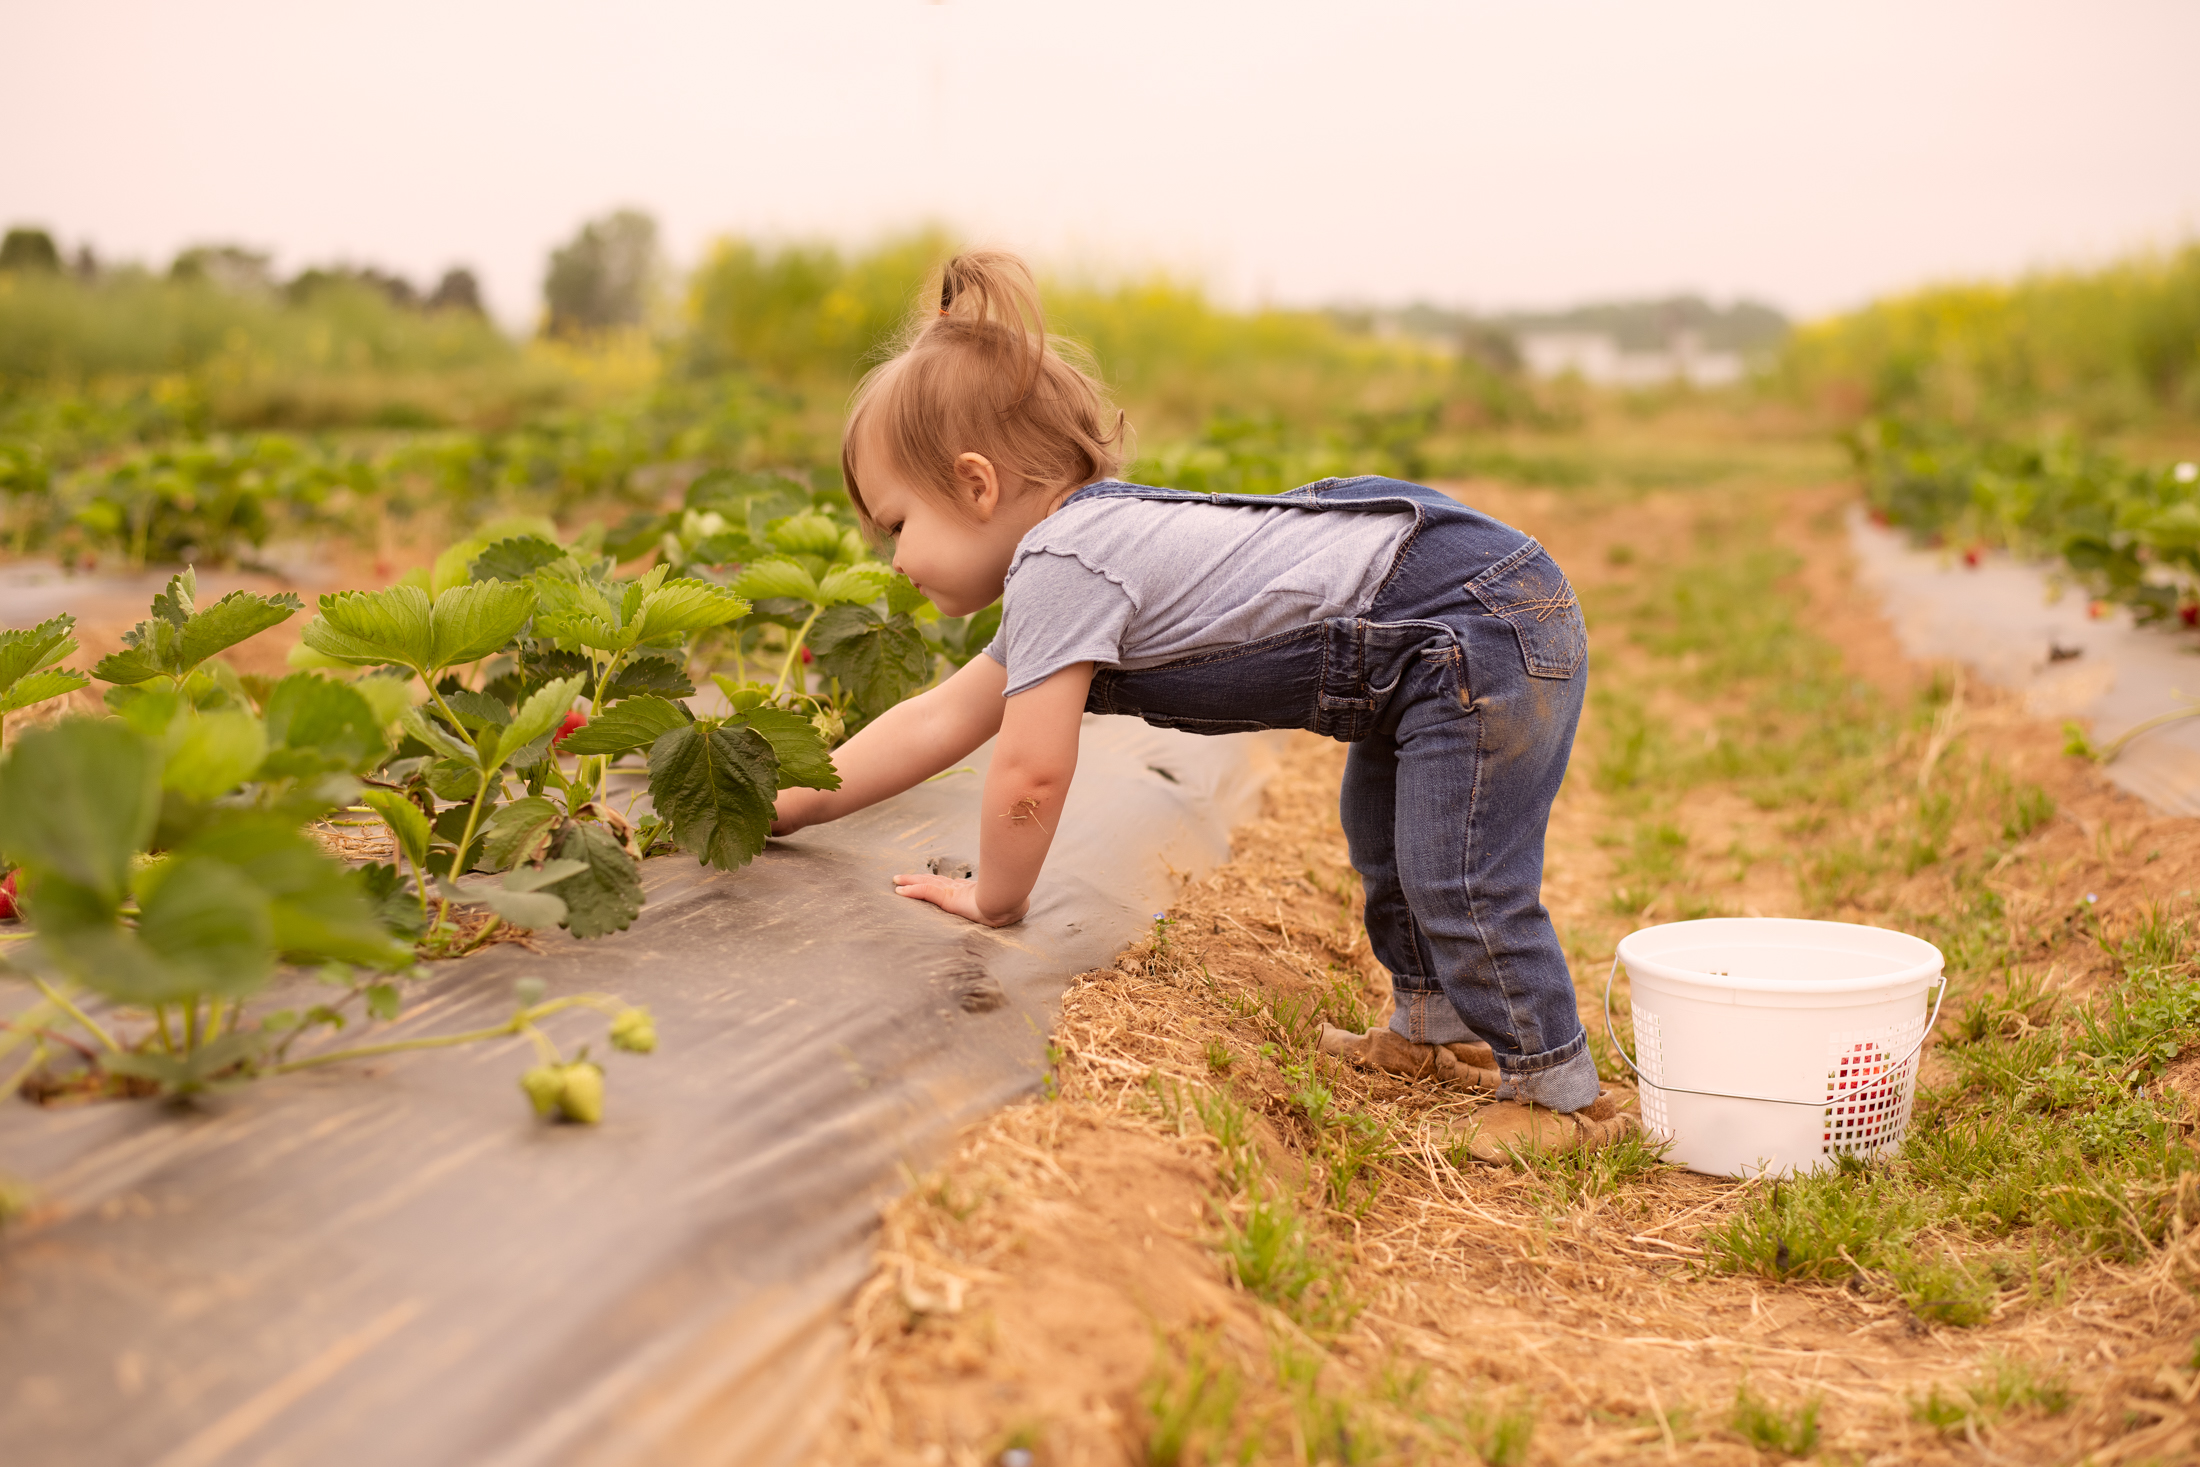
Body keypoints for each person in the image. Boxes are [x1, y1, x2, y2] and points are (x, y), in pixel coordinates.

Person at [770, 251, 1635, 1159]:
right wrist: (792, 796)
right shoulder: (1078, 559)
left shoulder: (1063, 562)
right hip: (1437, 621)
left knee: (1456, 866)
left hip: (1473, 621)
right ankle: (1432, 1025)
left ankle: (1555, 1091)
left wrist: (996, 895)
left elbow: (1030, 767)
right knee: (1385, 836)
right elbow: (940, 718)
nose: (893, 561)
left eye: (897, 525)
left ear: (977, 483)